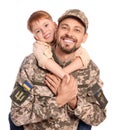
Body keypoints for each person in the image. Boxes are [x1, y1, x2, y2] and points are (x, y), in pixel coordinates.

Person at [9, 9, 108, 130]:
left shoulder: (91, 70)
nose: (69, 34)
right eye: (65, 27)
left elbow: (99, 116)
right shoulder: (31, 64)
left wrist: (72, 100)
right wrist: (58, 101)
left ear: (84, 37)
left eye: (77, 30)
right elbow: (16, 116)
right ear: (57, 30)